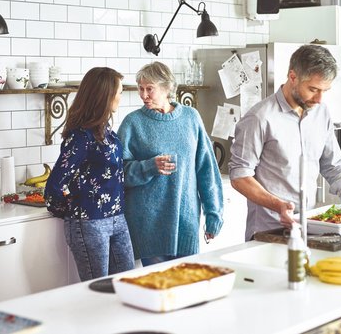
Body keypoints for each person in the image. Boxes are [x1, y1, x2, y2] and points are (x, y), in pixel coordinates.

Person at [229, 44, 341, 241]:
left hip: (310, 227)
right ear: (293, 77)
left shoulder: (321, 113)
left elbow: (333, 167)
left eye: (324, 91)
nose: (319, 99)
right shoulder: (259, 118)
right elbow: (240, 176)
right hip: (268, 231)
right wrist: (279, 206)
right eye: (313, 89)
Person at [117, 61, 224, 267]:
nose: (143, 95)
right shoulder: (133, 123)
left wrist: (214, 213)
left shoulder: (191, 118)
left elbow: (207, 169)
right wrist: (149, 167)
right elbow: (118, 174)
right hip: (148, 224)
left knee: (187, 285)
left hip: (187, 221)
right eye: (141, 89)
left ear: (167, 88)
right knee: (159, 287)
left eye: (150, 89)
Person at [44, 67, 135, 281]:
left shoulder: (108, 134)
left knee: (128, 284)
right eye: (119, 92)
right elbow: (54, 186)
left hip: (117, 218)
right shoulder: (80, 138)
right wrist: (73, 209)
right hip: (89, 224)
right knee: (98, 290)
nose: (121, 98)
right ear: (105, 95)